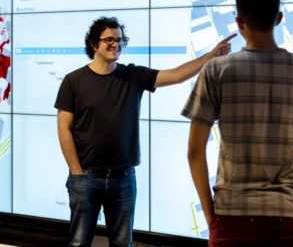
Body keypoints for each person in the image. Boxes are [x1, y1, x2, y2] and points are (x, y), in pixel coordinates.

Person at [54, 16, 236, 247]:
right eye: (109, 39)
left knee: (122, 243)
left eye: (119, 40)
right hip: (86, 178)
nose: (115, 44)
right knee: (79, 243)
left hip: (123, 178)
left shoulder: (133, 75)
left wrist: (211, 56)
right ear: (93, 44)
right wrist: (77, 172)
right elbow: (63, 128)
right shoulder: (74, 81)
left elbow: (177, 75)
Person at [182, 0, 293, 247]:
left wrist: (210, 216)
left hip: (230, 217)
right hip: (287, 218)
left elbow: (194, 151)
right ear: (279, 18)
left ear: (239, 23)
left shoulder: (216, 71)